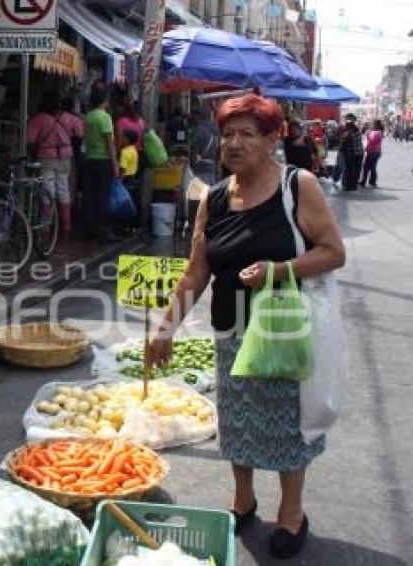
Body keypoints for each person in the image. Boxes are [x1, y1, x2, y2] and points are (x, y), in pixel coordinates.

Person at [147, 94, 345, 560]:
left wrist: (279, 270)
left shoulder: (299, 186)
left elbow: (334, 251)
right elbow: (197, 271)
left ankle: (292, 513)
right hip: (230, 330)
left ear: (273, 139)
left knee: (287, 425)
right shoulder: (214, 198)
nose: (234, 143)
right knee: (235, 423)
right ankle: (244, 499)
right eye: (228, 134)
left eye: (247, 134)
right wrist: (165, 328)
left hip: (283, 333)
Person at [27, 91, 84, 238]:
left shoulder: (38, 119)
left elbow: (30, 140)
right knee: (64, 191)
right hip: (65, 158)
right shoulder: (71, 118)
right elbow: (80, 135)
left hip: (46, 158)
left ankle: (46, 227)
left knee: (48, 193)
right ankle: (66, 226)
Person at [83, 81, 121, 242]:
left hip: (90, 159)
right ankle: (103, 230)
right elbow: (110, 144)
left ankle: (91, 228)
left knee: (91, 195)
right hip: (103, 161)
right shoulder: (105, 117)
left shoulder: (88, 117)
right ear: (105, 100)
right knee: (103, 196)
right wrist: (115, 166)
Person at [189, 107, 220, 187]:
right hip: (212, 169)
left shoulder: (199, 130)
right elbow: (219, 151)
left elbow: (194, 151)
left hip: (200, 170)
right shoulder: (216, 130)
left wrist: (192, 167)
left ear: (199, 116)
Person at [338, 117, 364, 191]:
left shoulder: (349, 133)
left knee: (350, 170)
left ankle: (349, 186)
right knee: (357, 170)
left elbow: (343, 145)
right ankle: (354, 186)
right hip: (360, 154)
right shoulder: (358, 131)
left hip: (352, 154)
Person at [359, 119, 384, 188]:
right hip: (370, 151)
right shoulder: (372, 131)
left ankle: (372, 182)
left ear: (376, 125)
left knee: (372, 167)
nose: (371, 125)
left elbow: (372, 140)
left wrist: (368, 134)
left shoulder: (378, 132)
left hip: (375, 152)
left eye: (373, 124)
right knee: (366, 167)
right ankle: (363, 182)